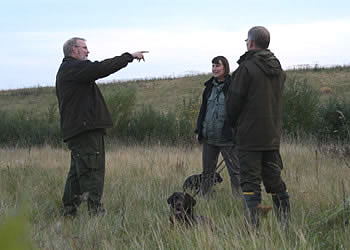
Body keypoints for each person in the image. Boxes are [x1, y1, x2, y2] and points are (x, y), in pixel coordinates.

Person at [56, 37, 147, 217]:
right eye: (84, 48)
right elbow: (100, 68)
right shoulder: (73, 68)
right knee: (92, 171)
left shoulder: (70, 71)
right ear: (74, 50)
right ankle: (96, 214)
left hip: (80, 131)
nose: (88, 52)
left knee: (77, 173)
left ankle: (69, 212)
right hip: (85, 131)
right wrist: (128, 57)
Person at [226, 26, 290, 230]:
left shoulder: (246, 68)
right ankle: (285, 225)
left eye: (247, 41)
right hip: (271, 136)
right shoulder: (278, 69)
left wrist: (234, 126)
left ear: (251, 43)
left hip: (249, 138)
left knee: (250, 184)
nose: (246, 44)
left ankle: (252, 231)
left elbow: (233, 103)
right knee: (275, 182)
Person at [195, 56, 241, 199]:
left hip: (227, 137)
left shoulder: (233, 86)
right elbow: (203, 110)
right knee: (207, 172)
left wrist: (237, 132)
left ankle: (239, 200)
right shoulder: (208, 87)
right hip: (209, 137)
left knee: (235, 171)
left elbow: (239, 111)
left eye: (217, 66)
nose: (214, 69)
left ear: (225, 67)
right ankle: (205, 198)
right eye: (213, 66)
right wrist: (198, 131)